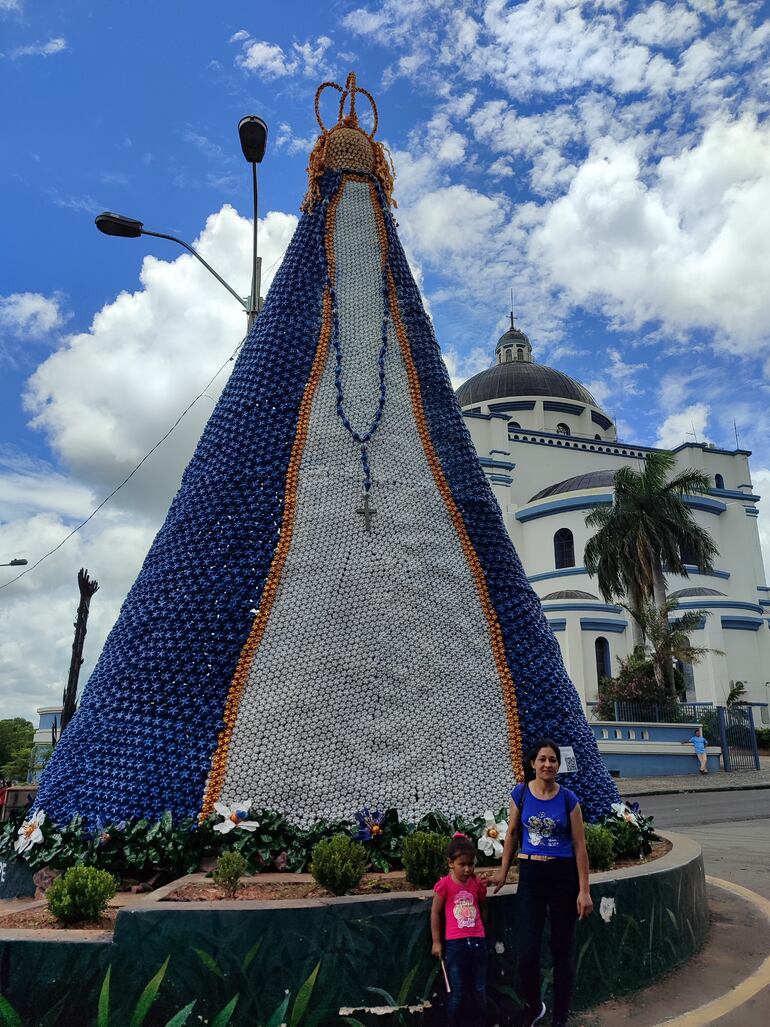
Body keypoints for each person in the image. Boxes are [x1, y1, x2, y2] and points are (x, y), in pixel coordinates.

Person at [492, 738, 593, 1027]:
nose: (547, 764)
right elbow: (511, 835)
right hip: (532, 876)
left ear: (558, 765)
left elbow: (580, 847)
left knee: (562, 949)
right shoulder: (520, 794)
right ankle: (534, 1005)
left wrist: (584, 891)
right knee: (527, 950)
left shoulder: (568, 799)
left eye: (552, 760)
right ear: (533, 763)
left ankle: (560, 1016)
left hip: (563, 877)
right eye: (542, 759)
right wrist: (503, 871)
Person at [431, 832, 489, 1027]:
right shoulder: (445, 886)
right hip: (455, 944)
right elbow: (435, 913)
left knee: (480, 989)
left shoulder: (477, 884)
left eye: (471, 864)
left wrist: (482, 929)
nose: (467, 869)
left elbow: (483, 907)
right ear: (450, 863)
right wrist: (437, 941)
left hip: (478, 941)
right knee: (457, 991)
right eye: (461, 864)